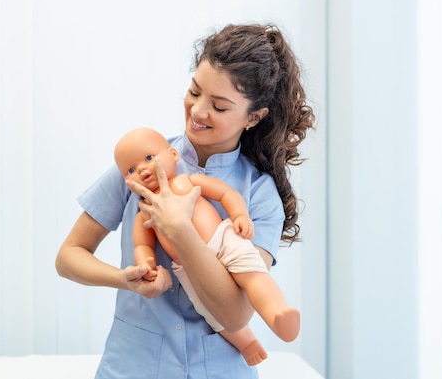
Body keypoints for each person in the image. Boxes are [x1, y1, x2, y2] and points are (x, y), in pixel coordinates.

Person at [56, 23, 315, 379]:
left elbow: (236, 314)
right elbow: (69, 257)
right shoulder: (140, 165)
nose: (198, 111)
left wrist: (179, 229)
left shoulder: (258, 191)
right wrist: (124, 279)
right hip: (133, 366)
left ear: (253, 117)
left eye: (219, 107)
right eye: (194, 92)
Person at [114, 127, 300, 366]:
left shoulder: (186, 182)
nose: (141, 169)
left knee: (252, 274)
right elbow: (141, 243)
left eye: (149, 158)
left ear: (173, 154)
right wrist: (145, 262)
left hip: (223, 239)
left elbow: (225, 193)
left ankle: (277, 314)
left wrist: (240, 214)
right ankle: (246, 343)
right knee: (209, 311)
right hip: (189, 266)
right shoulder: (144, 211)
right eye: (130, 170)